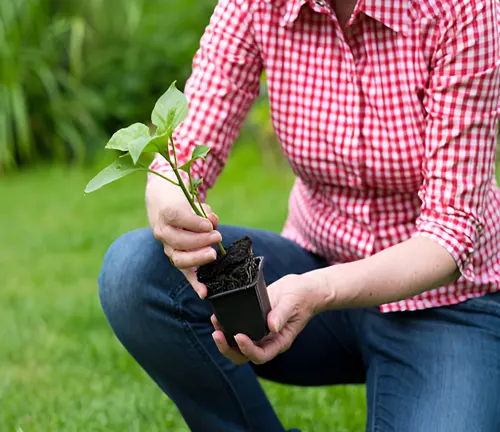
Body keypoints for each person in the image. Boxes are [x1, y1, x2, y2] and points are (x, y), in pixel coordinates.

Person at [98, 0, 500, 430]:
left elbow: (450, 232)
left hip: (447, 302)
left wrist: (319, 290)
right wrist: (167, 203)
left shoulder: (463, 9)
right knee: (135, 271)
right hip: (313, 266)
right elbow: (186, 143)